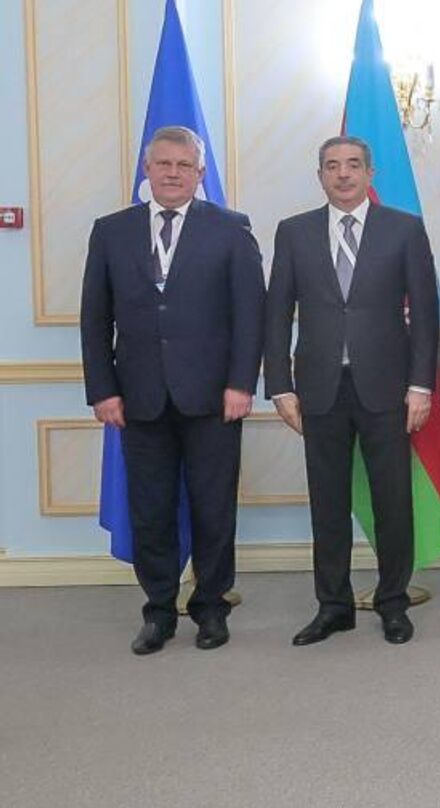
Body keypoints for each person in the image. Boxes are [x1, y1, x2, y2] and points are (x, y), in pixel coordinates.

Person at [80, 126, 264, 655]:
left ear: (200, 174)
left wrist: (240, 383)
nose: (173, 173)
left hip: (213, 398)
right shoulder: (111, 231)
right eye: (164, 163)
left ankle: (211, 607)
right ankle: (158, 611)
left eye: (184, 165)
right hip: (138, 398)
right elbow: (95, 318)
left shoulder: (230, 229)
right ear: (147, 168)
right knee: (150, 510)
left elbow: (249, 314)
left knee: (213, 508)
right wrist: (103, 390)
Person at [265, 135, 437, 646]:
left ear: (370, 173)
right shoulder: (294, 232)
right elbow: (277, 313)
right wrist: (280, 386)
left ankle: (393, 602)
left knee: (393, 502)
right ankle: (333, 606)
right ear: (320, 175)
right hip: (318, 389)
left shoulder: (403, 229)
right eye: (332, 166)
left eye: (353, 165)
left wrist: (421, 385)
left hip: (388, 388)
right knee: (328, 504)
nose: (343, 174)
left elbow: (425, 313)